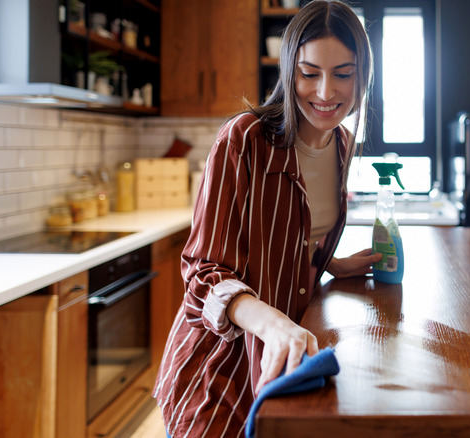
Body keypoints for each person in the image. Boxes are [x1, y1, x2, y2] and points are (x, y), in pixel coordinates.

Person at [153, 1, 376, 436]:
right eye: (310, 73)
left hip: (284, 365)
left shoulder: (343, 145)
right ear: (288, 69)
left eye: (344, 74)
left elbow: (293, 234)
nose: (326, 92)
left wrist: (327, 261)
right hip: (219, 368)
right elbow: (202, 274)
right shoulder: (244, 139)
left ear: (362, 75)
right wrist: (271, 322)